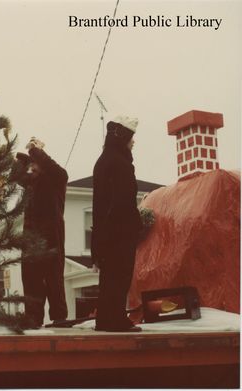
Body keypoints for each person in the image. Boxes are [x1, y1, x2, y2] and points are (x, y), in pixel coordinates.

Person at [91, 116, 143, 332]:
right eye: (132, 138)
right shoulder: (121, 165)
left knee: (108, 278)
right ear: (124, 139)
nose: (134, 143)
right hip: (120, 232)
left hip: (105, 232)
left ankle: (104, 319)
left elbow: (101, 204)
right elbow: (124, 202)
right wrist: (137, 224)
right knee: (120, 276)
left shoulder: (102, 161)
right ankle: (116, 320)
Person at [16, 137, 68, 327]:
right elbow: (17, 174)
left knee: (53, 277)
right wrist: (23, 158)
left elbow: (55, 169)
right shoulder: (31, 184)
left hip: (51, 236)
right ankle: (33, 317)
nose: (32, 169)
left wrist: (35, 150)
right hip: (31, 238)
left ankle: (59, 316)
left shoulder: (56, 178)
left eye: (35, 165)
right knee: (30, 278)